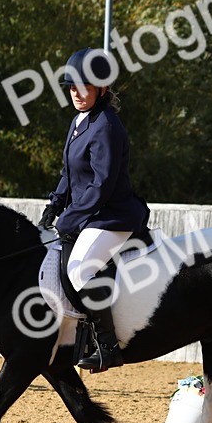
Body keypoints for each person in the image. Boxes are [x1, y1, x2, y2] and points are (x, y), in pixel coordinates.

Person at [37, 47, 148, 371]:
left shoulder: (107, 126)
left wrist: (69, 218)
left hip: (113, 216)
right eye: (72, 87)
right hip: (90, 214)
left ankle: (108, 345)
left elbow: (102, 183)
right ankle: (76, 337)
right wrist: (55, 204)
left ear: (101, 89)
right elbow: (69, 174)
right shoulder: (79, 120)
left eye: (84, 87)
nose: (76, 93)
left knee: (80, 269)